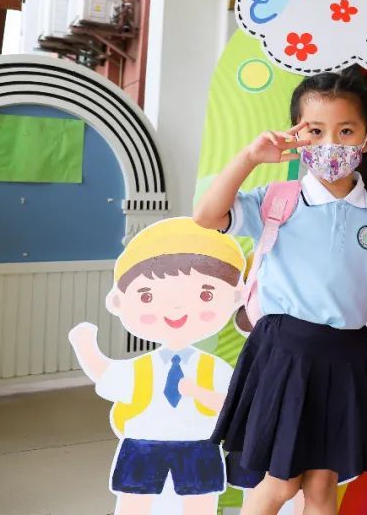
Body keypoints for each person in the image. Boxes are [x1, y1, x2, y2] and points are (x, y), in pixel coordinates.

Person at [193, 69, 367, 515]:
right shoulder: (277, 200)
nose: (331, 142)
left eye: (346, 130)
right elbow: (207, 216)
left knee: (323, 484)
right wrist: (250, 158)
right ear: (297, 135)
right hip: (285, 353)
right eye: (315, 130)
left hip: (347, 356)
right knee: (280, 482)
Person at [68, 217, 245, 515]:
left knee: (199, 505)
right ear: (118, 302)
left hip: (199, 445)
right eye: (148, 296)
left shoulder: (213, 368)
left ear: (236, 297)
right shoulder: (140, 368)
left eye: (205, 294)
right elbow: (105, 374)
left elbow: (230, 405)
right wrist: (85, 346)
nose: (176, 308)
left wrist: (198, 392)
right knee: (135, 504)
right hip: (143, 445)